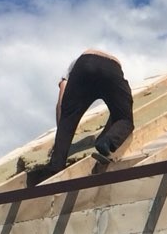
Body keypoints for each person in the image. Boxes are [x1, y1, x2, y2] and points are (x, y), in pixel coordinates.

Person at [27, 50, 134, 185]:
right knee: (124, 118)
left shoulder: (73, 66)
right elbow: (119, 106)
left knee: (67, 121)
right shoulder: (109, 63)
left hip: (85, 65)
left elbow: (62, 99)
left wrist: (62, 132)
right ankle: (107, 141)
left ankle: (55, 167)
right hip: (112, 69)